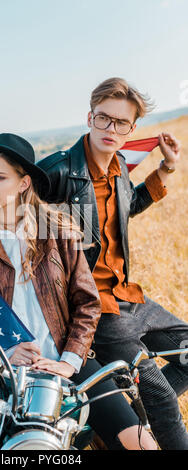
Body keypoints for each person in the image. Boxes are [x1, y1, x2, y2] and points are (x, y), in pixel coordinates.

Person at [0, 132, 157, 450]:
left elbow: (87, 303)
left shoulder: (58, 230)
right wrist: (5, 351)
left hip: (66, 359)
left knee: (141, 445)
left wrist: (69, 360)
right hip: (4, 370)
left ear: (24, 184)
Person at [36, 77, 188, 450]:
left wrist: (166, 169)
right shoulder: (57, 173)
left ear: (132, 129)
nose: (111, 129)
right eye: (104, 118)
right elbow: (17, 220)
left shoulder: (120, 164)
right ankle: (136, 418)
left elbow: (126, 208)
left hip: (128, 297)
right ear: (90, 117)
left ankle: (122, 415)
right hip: (95, 309)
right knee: (163, 397)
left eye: (121, 123)